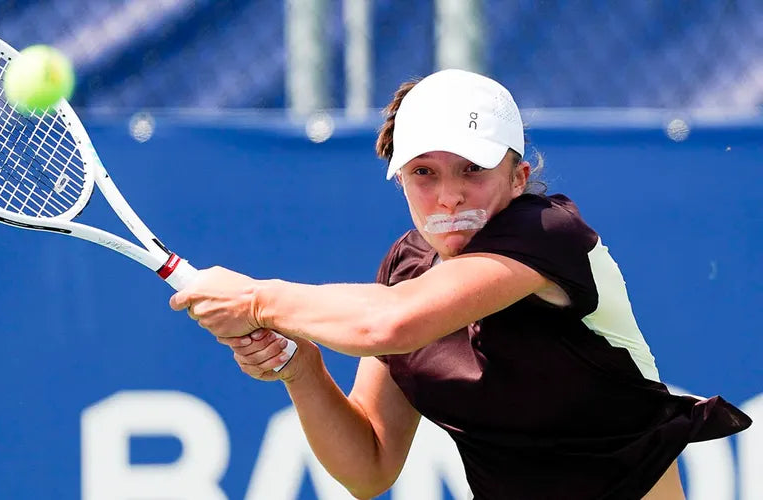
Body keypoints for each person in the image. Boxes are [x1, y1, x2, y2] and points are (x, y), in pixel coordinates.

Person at [169, 69, 751, 499]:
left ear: (518, 177)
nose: (449, 195)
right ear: (400, 181)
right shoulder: (407, 271)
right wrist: (303, 369)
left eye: (472, 169)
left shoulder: (547, 233)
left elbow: (389, 324)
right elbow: (369, 466)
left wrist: (258, 299)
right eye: (424, 172)